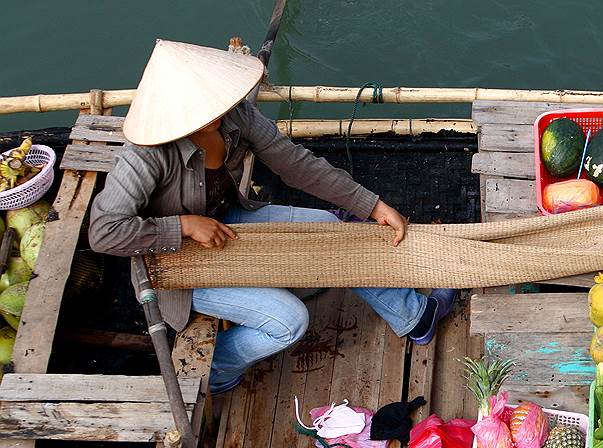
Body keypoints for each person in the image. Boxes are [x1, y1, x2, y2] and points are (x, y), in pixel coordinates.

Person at [89, 40, 456, 394]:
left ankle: (414, 318)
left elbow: (296, 164)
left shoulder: (236, 115)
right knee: (289, 322)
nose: (218, 111)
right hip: (173, 265)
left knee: (333, 232)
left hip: (227, 224)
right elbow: (104, 232)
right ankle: (217, 373)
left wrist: (371, 205)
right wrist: (182, 225)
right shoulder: (143, 156)